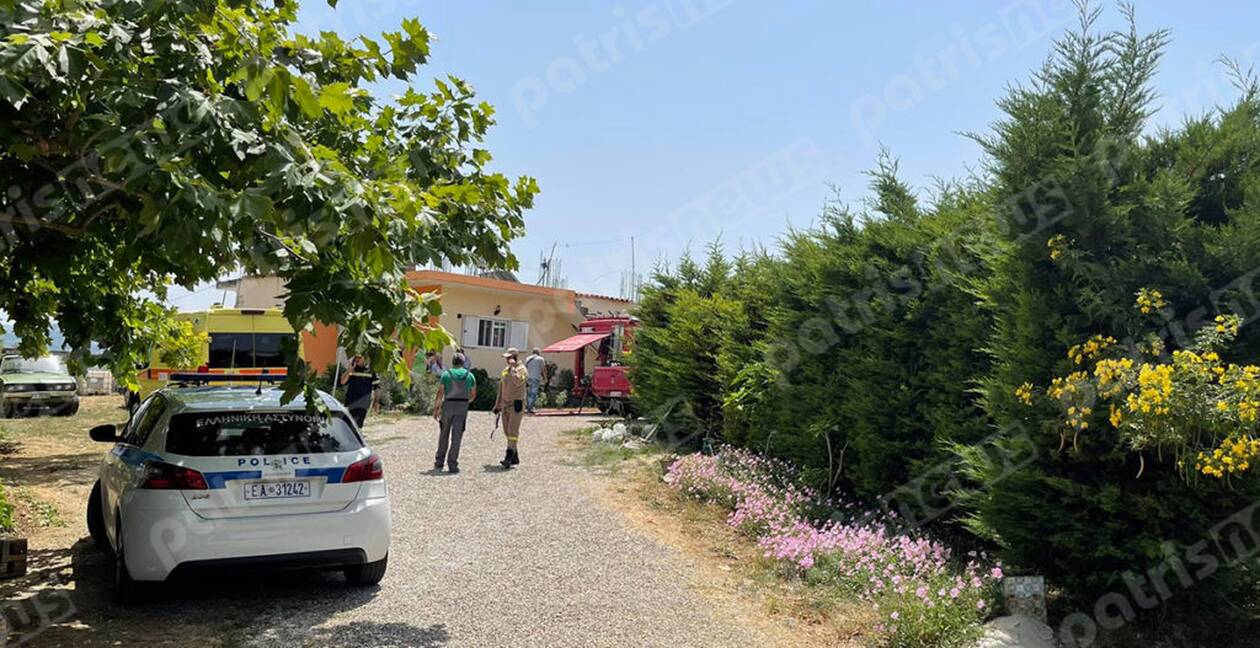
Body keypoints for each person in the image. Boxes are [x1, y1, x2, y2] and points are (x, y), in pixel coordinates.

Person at [433, 353, 476, 473]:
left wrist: (436, 408)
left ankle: (439, 462)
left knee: (444, 434)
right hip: (462, 407)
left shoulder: (446, 374)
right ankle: (452, 465)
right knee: (457, 437)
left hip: (448, 405)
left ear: (453, 362)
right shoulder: (470, 375)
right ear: (463, 362)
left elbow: (440, 393)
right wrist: (466, 401)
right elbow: (473, 394)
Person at [494, 347, 529, 469]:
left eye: (508, 358)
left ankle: (508, 457)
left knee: (512, 431)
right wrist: (497, 403)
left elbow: (518, 381)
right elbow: (501, 387)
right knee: (507, 431)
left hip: (516, 404)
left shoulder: (522, 370)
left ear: (514, 358)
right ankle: (515, 456)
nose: (506, 360)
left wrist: (513, 368)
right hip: (505, 404)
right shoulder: (505, 370)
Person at [340, 356, 379, 428]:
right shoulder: (352, 370)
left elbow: (376, 387)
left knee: (356, 426)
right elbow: (342, 381)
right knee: (346, 424)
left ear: (364, 359)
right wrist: (349, 371)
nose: (357, 359)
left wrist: (376, 401)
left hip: (363, 404)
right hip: (350, 402)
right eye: (355, 357)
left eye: (359, 357)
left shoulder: (371, 371)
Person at [524, 347, 545, 414]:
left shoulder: (527, 359)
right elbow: (543, 369)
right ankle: (530, 408)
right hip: (535, 378)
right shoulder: (540, 359)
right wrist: (545, 378)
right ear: (538, 353)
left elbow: (525, 368)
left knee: (528, 393)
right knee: (533, 394)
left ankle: (528, 407)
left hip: (528, 378)